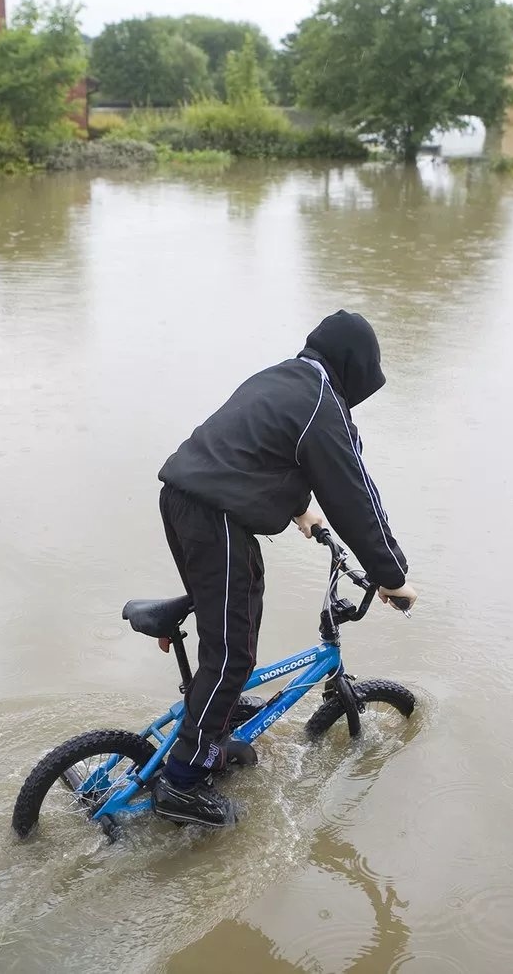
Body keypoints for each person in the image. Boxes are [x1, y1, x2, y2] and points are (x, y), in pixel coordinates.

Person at [151, 310, 418, 826]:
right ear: (356, 369)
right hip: (217, 517)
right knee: (232, 652)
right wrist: (392, 576)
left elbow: (259, 451)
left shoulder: (283, 377)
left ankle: (213, 728)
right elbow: (355, 497)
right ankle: (182, 779)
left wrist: (300, 511)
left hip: (184, 501)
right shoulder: (323, 403)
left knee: (236, 624)